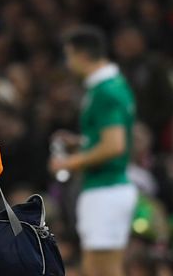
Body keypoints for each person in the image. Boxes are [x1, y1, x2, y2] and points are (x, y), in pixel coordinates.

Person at [49, 26, 137, 276]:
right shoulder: (113, 85)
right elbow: (109, 137)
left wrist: (69, 163)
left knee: (102, 270)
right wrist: (81, 142)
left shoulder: (105, 91)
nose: (68, 64)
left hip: (106, 189)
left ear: (80, 55)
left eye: (68, 56)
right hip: (107, 189)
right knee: (98, 268)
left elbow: (115, 145)